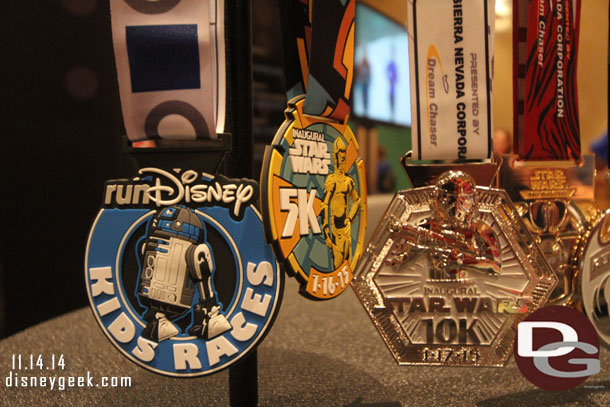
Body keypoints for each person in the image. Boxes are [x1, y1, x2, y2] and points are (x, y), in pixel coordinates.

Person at [137, 206, 231, 342]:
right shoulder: (194, 251)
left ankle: (210, 314)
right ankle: (210, 314)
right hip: (163, 302)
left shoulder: (190, 251)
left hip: (166, 301)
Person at [392, 171, 501, 280]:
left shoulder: (481, 230)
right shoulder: (426, 228)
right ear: (435, 200)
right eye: (448, 198)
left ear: (474, 202)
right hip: (431, 290)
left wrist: (463, 261)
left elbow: (496, 268)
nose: (456, 206)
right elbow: (396, 265)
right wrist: (416, 250)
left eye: (464, 199)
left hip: (472, 291)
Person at [321, 138, 363, 269]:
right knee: (337, 264)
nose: (343, 155)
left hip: (346, 228)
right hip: (335, 230)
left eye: (344, 152)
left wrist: (350, 218)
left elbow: (358, 200)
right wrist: (326, 232)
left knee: (348, 266)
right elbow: (325, 204)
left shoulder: (348, 181)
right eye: (340, 152)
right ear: (335, 156)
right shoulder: (331, 180)